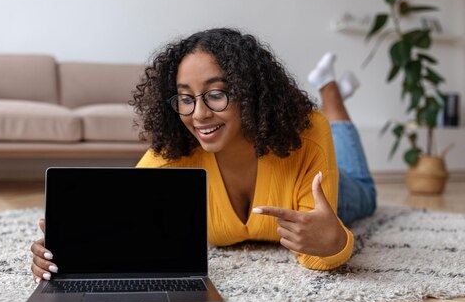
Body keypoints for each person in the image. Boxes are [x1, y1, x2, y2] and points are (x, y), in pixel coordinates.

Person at [30, 28, 376, 282]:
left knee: (366, 193)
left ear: (249, 93)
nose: (198, 115)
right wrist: (63, 251)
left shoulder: (307, 133)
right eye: (185, 98)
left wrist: (333, 241)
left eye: (216, 94)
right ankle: (334, 92)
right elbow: (119, 224)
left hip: (330, 188)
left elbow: (319, 256)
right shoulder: (172, 155)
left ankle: (331, 98)